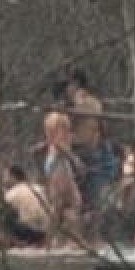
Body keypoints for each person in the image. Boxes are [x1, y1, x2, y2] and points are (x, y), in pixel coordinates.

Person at [67, 69, 119, 244]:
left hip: (81, 150)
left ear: (75, 84)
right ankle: (93, 239)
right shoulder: (97, 103)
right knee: (92, 198)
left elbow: (72, 121)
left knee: (77, 199)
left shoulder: (80, 103)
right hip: (93, 150)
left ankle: (81, 239)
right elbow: (102, 126)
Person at [34, 80, 82, 249]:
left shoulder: (51, 116)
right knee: (60, 204)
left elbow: (51, 139)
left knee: (72, 202)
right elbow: (59, 142)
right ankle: (49, 243)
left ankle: (71, 241)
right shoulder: (60, 117)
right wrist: (74, 159)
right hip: (59, 161)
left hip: (56, 160)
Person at [1, 165, 52, 248]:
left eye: (5, 177)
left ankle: (15, 243)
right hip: (44, 231)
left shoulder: (12, 192)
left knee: (4, 214)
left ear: (13, 177)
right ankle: (41, 242)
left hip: (27, 231)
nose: (3, 180)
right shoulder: (38, 187)